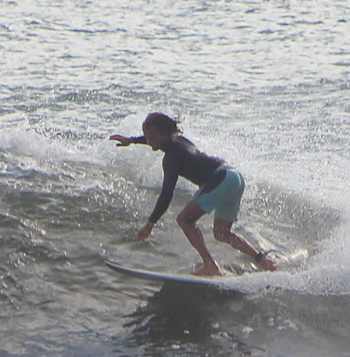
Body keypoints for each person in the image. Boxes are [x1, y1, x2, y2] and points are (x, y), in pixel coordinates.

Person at [110, 113, 276, 276]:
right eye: (147, 137)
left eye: (152, 137)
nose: (149, 141)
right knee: (221, 233)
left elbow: (166, 194)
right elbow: (156, 140)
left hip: (220, 179)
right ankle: (262, 260)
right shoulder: (178, 140)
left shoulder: (171, 158)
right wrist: (132, 140)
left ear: (165, 133)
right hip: (234, 177)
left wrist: (150, 223)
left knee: (184, 220)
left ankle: (210, 265)